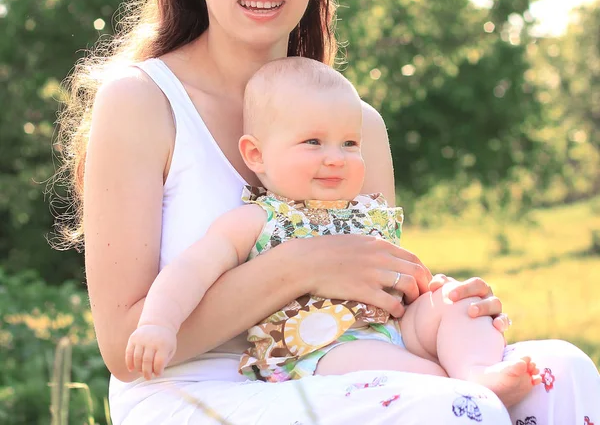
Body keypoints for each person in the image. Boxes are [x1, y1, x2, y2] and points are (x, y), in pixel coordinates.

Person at [58, 0, 599, 425]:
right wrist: (302, 265)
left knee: (564, 369)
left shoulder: (358, 126)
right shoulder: (142, 102)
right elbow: (122, 346)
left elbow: (375, 308)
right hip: (187, 391)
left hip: (341, 368)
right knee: (448, 409)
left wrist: (443, 308)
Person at [125, 56, 542, 408]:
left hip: (393, 327)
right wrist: (157, 325)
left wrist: (437, 296)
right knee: (389, 369)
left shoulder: (364, 208)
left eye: (349, 144)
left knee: (454, 305)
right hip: (317, 353)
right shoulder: (257, 220)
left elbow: (397, 277)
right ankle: (458, 393)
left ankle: (476, 373)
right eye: (313, 142)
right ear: (256, 154)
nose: (335, 158)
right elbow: (190, 270)